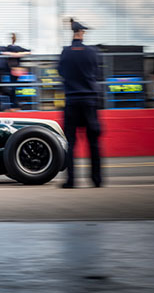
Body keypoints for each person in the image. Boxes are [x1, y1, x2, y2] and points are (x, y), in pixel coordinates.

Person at [58, 18, 102, 188]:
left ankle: (71, 180)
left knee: (71, 142)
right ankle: (96, 180)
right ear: (81, 33)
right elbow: (96, 72)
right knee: (93, 142)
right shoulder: (92, 52)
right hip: (90, 101)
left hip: (72, 100)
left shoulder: (65, 52)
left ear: (73, 33)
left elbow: (61, 72)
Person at [2, 33, 31, 110]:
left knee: (15, 88)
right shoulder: (7, 47)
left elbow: (29, 51)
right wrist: (13, 54)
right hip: (9, 70)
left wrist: (18, 54)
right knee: (11, 88)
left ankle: (16, 105)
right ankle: (14, 105)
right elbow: (2, 52)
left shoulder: (18, 48)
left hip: (16, 71)